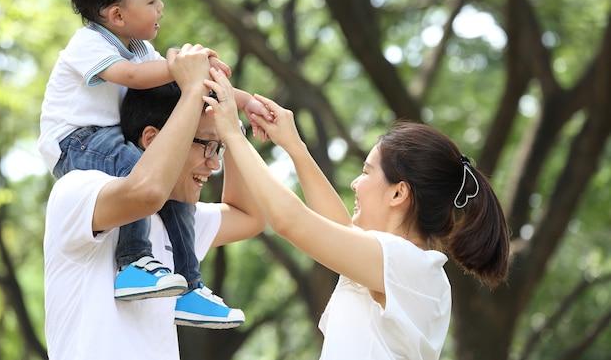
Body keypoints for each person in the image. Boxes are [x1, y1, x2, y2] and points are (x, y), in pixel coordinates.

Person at [205, 68, 511, 360]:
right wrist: (294, 146)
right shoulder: (399, 266)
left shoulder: (411, 265)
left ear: (398, 193)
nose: (355, 183)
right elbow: (340, 230)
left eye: (366, 172)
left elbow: (292, 222)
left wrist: (234, 133)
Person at [38, 0, 269, 325]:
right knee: (141, 171)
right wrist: (181, 69)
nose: (160, 7)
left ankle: (190, 286)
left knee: (176, 198)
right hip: (76, 141)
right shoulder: (88, 44)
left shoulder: (141, 48)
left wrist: (242, 103)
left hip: (110, 137)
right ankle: (132, 262)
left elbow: (180, 82)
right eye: (151, 0)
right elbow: (131, 77)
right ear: (115, 14)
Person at [44, 45, 265, 359]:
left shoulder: (177, 218)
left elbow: (249, 216)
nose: (214, 164)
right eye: (205, 145)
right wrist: (190, 93)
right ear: (151, 139)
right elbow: (145, 193)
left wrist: (234, 130)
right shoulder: (80, 191)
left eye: (220, 148)